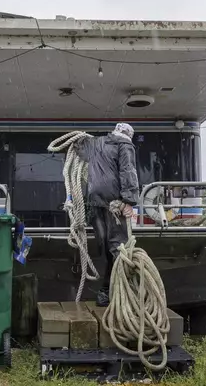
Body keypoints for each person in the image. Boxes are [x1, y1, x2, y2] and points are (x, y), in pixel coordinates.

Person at [75, 122, 140, 306]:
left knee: (104, 246)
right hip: (114, 203)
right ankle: (113, 291)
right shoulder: (125, 146)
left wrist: (79, 142)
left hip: (95, 201)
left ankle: (106, 292)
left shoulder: (97, 143)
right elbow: (128, 172)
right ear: (128, 135)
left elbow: (81, 151)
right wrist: (129, 201)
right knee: (118, 248)